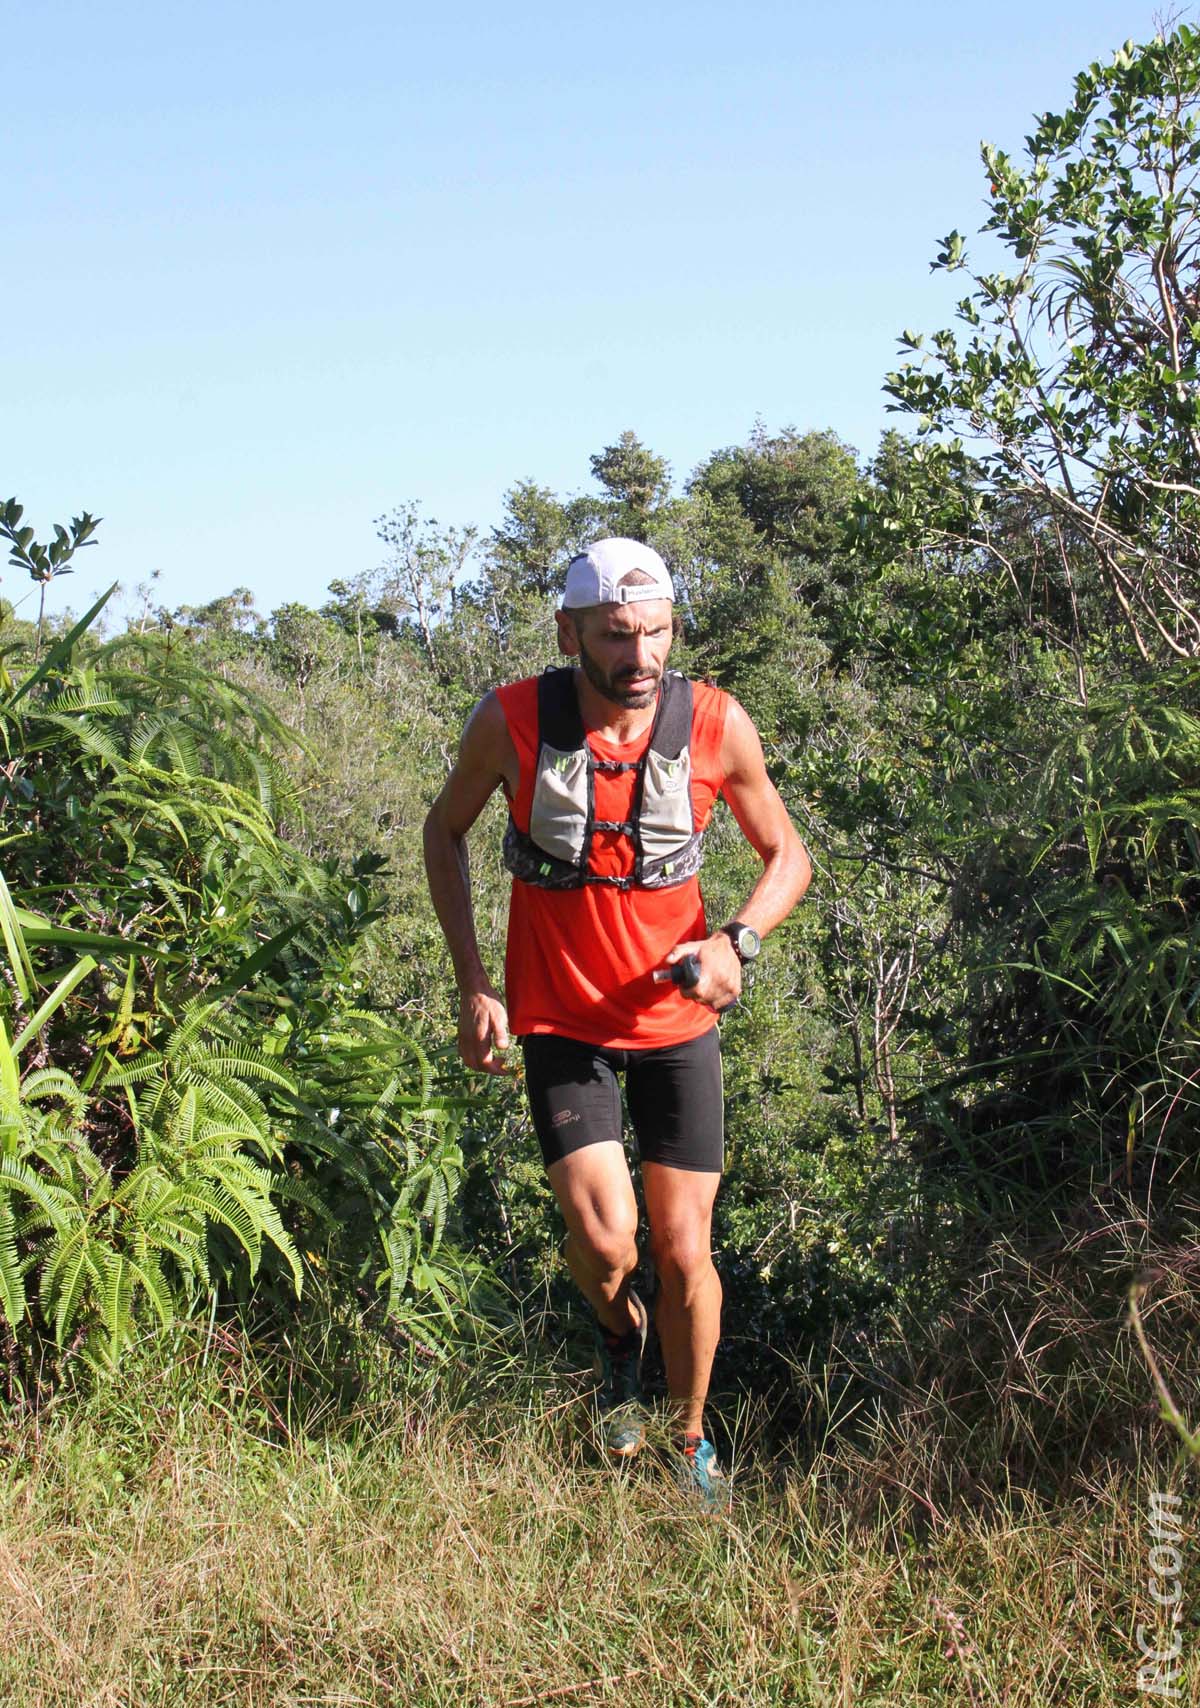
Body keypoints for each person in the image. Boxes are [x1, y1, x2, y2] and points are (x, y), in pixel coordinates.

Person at [423, 537, 811, 1503]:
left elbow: (789, 859)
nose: (640, 658)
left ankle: (686, 1442)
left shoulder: (716, 724)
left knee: (685, 1250)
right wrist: (476, 984)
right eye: (616, 636)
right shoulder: (512, 719)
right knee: (608, 1245)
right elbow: (445, 831)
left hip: (674, 1019)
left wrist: (739, 944)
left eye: (656, 634)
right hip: (559, 1018)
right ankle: (618, 1336)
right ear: (571, 632)